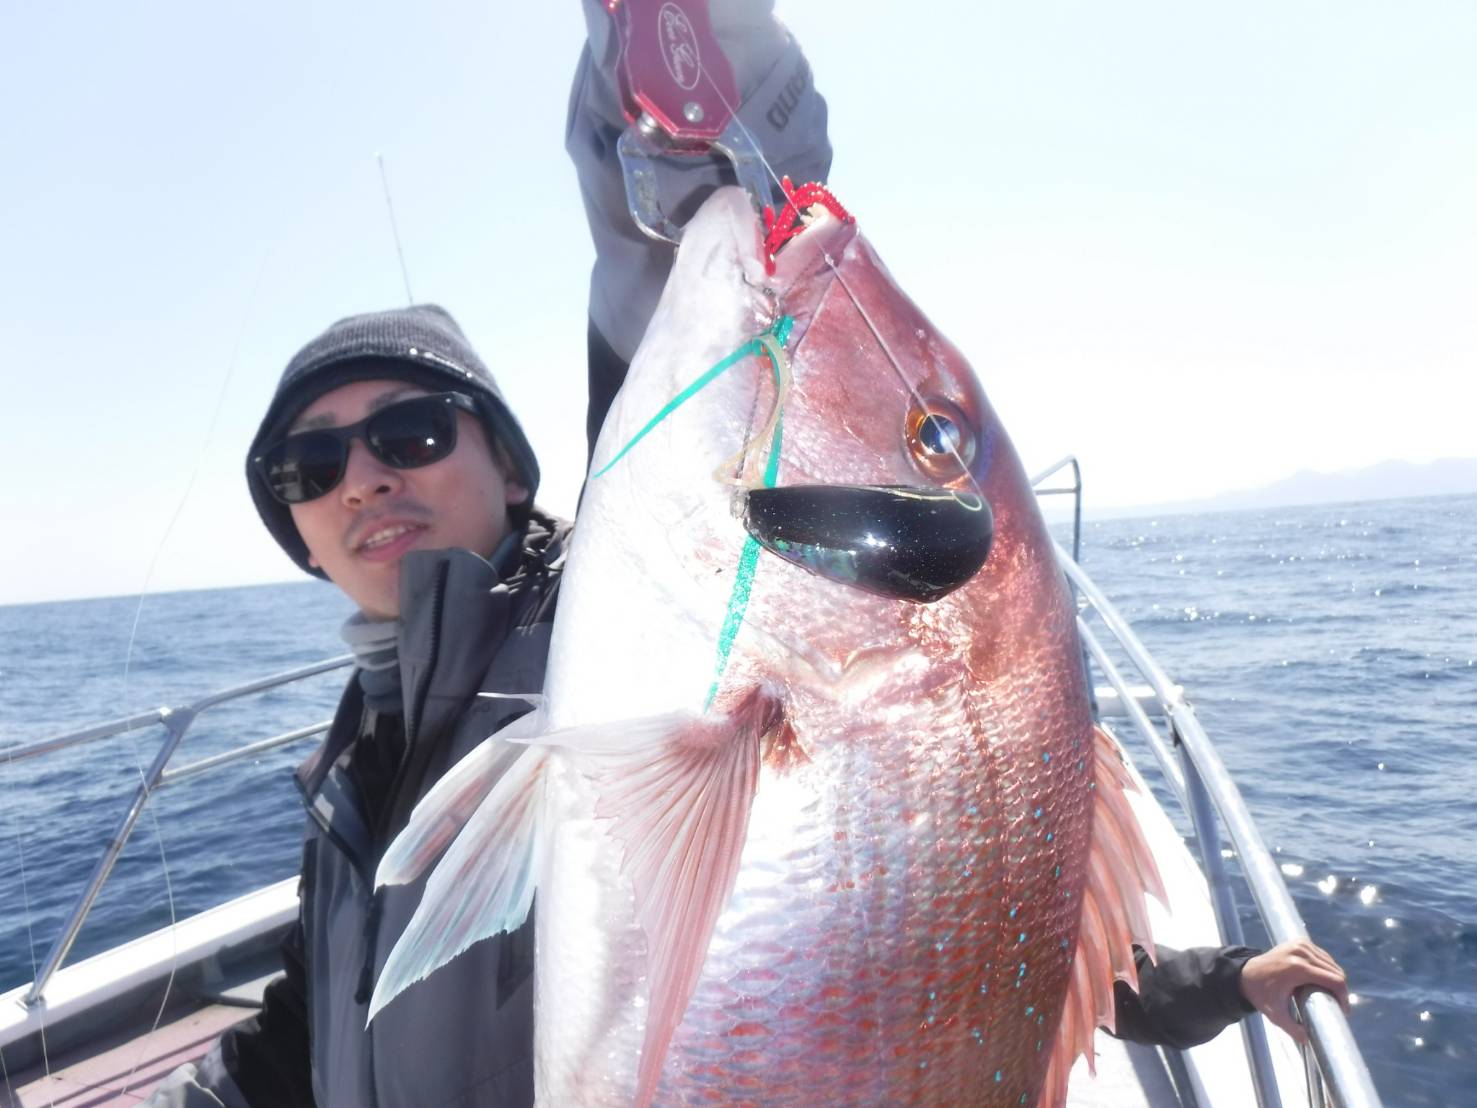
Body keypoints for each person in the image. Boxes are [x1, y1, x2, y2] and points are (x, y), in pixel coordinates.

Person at [149, 3, 1347, 1105]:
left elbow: (980, 933)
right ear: (296, 528)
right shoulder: (359, 752)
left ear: (516, 468)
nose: (363, 477)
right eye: (309, 469)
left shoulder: (595, 627)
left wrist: (704, 89)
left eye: (409, 431)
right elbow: (317, 1013)